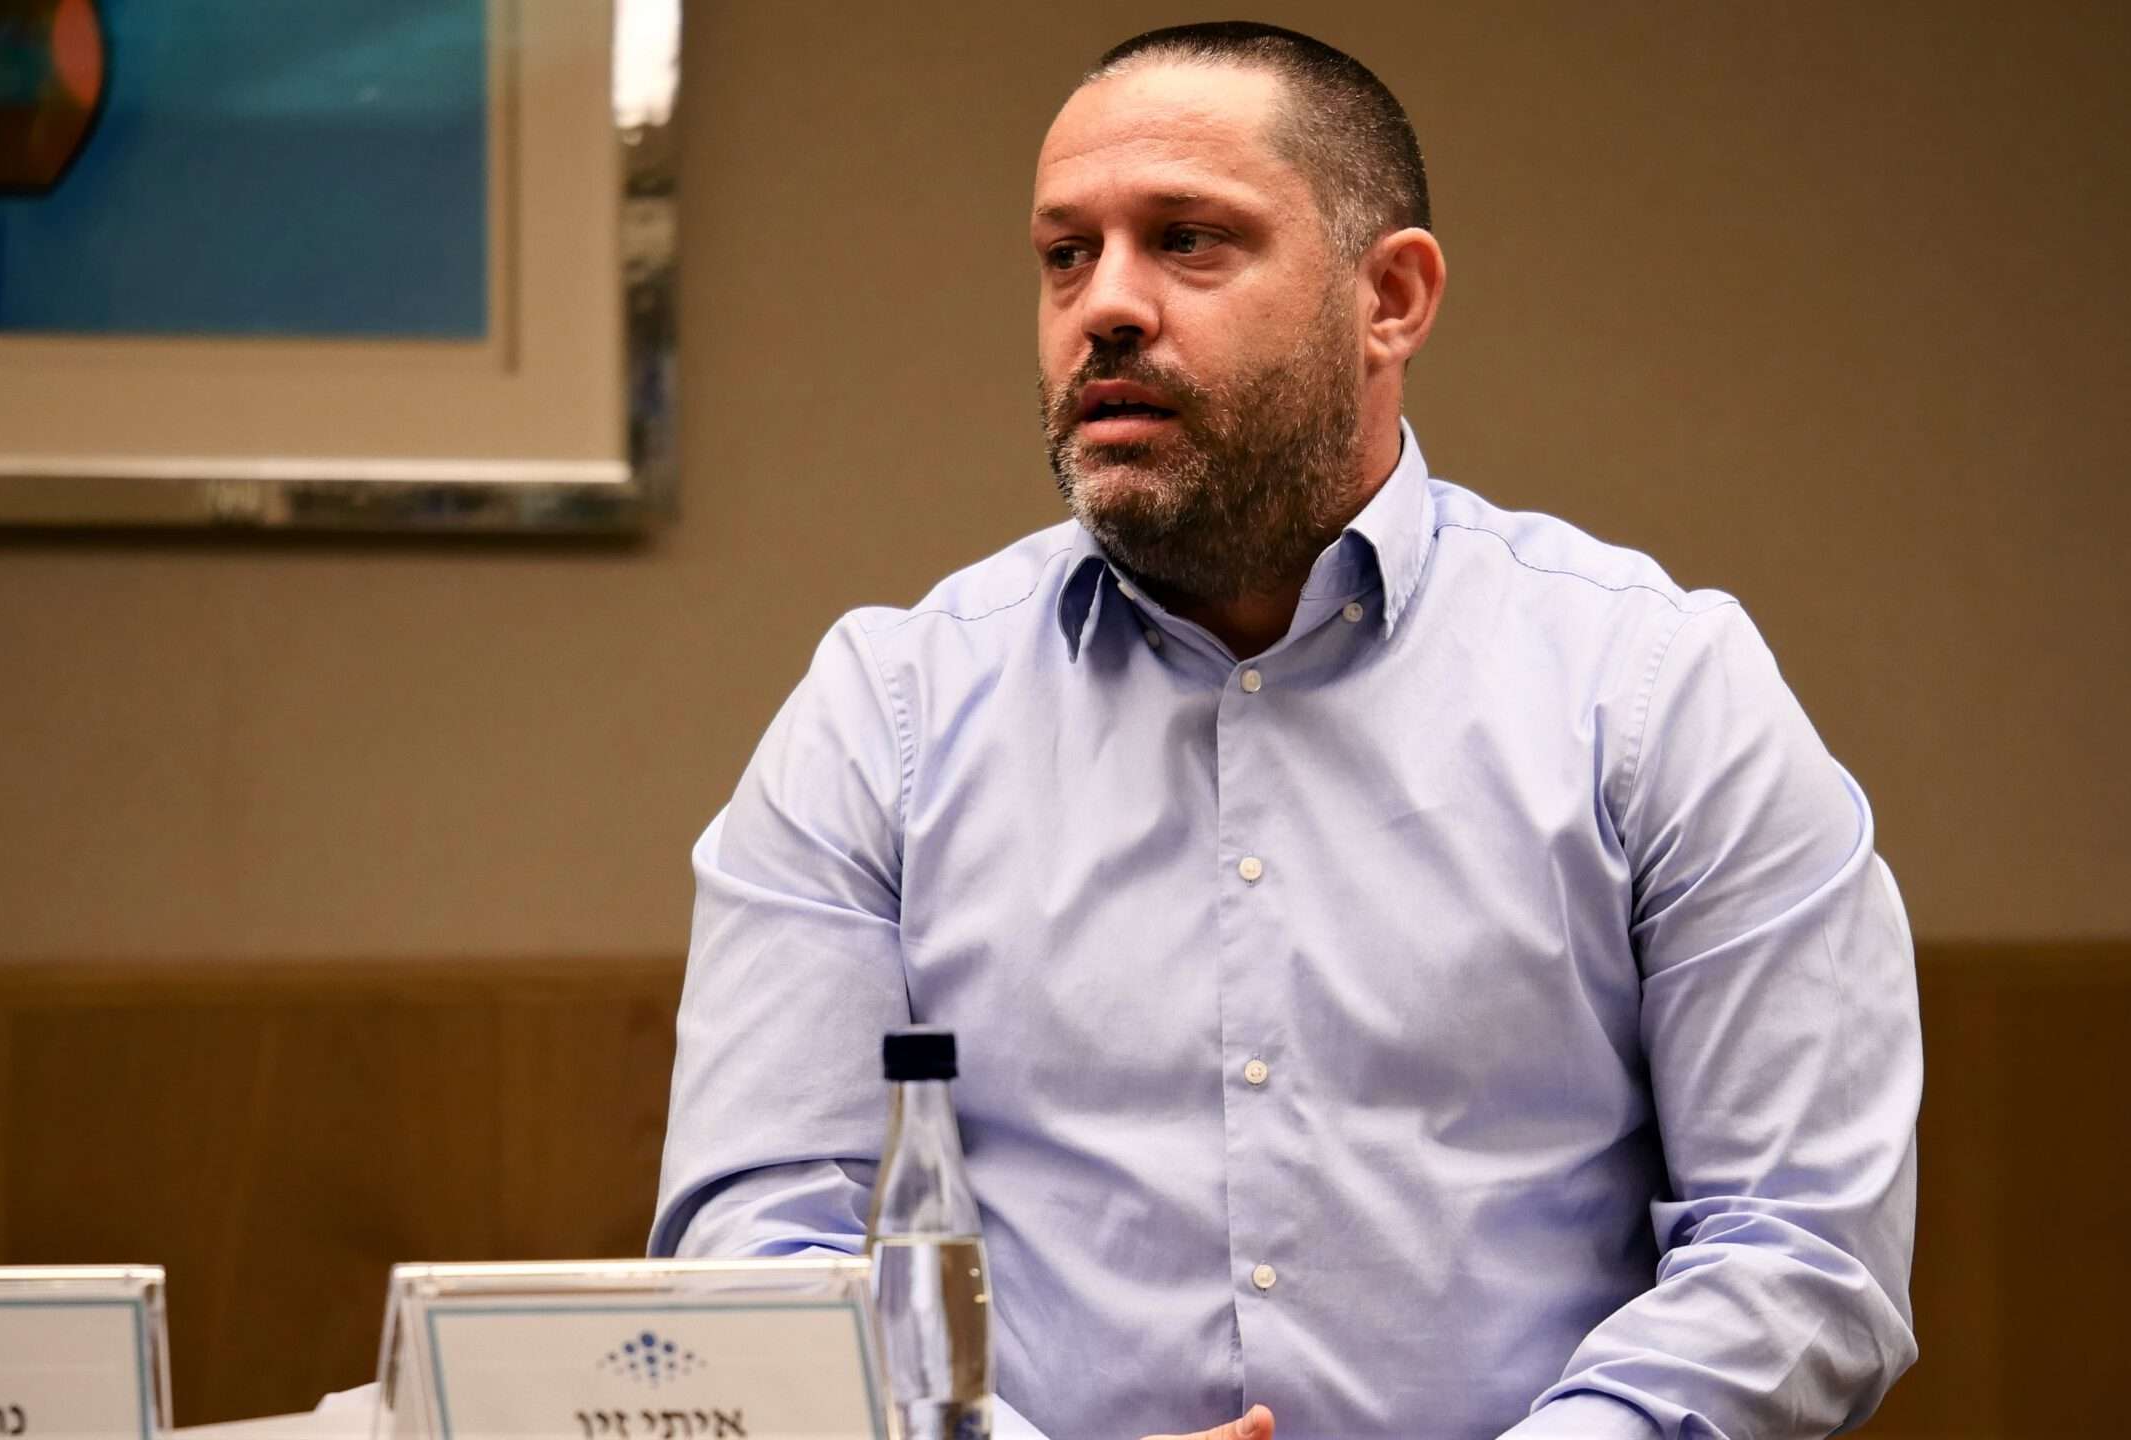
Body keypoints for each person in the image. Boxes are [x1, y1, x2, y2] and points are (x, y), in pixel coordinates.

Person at [650, 21, 1919, 1440]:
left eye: (1187, 240)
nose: (1104, 306)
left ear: (1392, 297)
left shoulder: (1656, 689)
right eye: (1065, 254)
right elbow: (760, 1248)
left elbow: (1801, 1251)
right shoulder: (886, 712)